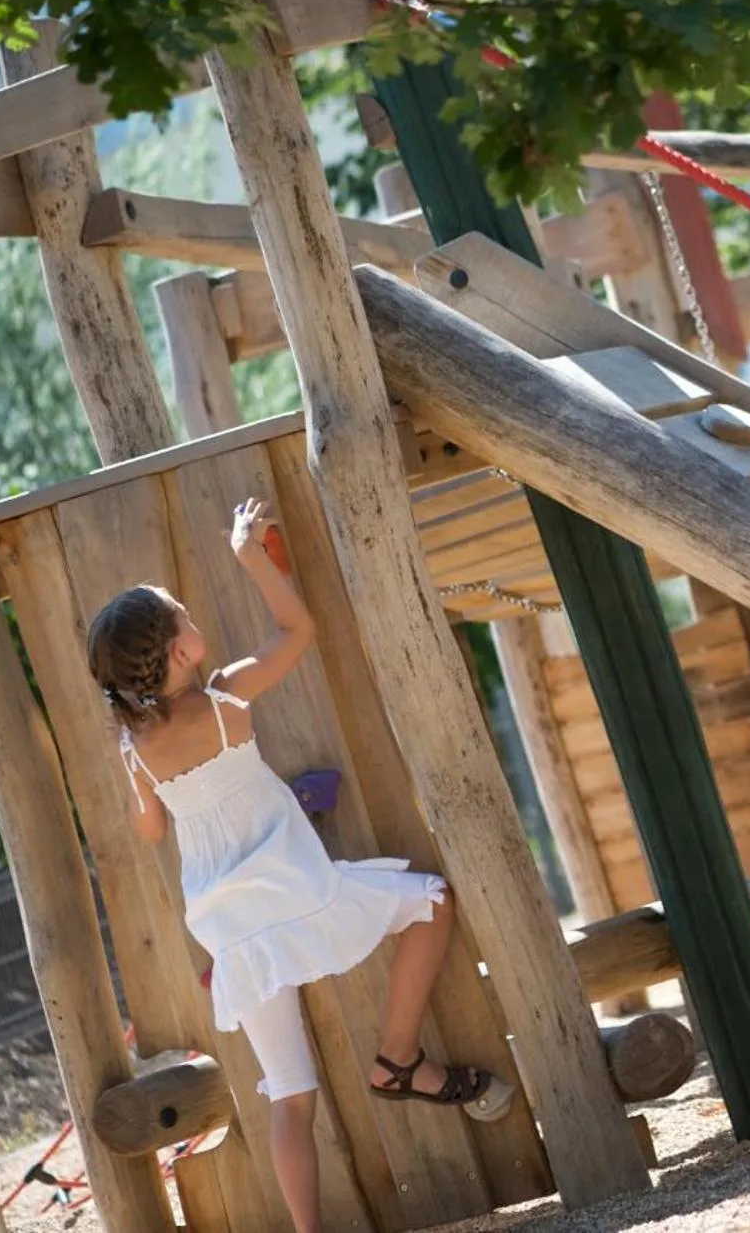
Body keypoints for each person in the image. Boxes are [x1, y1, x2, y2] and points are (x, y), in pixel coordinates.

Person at [87, 498, 513, 1233]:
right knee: (433, 901)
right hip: (302, 893)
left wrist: (141, 776)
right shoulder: (223, 701)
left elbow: (152, 830)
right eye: (183, 614)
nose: (195, 620)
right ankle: (399, 1057)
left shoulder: (136, 751)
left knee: (290, 1094)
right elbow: (299, 632)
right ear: (179, 650)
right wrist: (251, 557)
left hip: (234, 936)